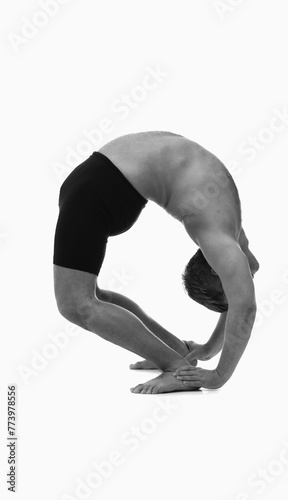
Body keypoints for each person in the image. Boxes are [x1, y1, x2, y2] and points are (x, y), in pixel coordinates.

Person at [53, 131, 260, 394]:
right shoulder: (222, 243)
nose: (242, 278)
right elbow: (244, 307)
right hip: (102, 188)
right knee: (79, 302)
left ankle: (175, 358)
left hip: (104, 181)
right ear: (217, 268)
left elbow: (240, 295)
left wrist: (209, 348)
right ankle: (176, 362)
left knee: (83, 300)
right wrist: (219, 376)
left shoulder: (232, 236)